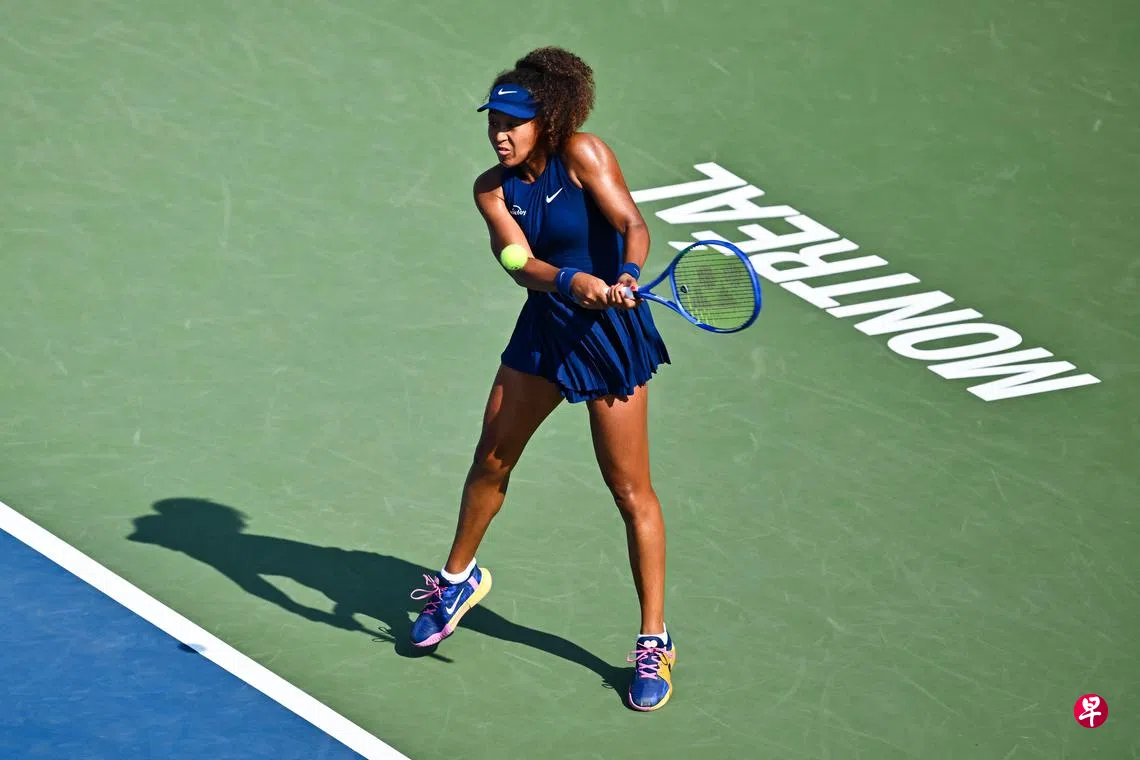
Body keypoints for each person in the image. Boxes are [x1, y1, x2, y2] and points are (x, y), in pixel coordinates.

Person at [408, 47, 675, 712]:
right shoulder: (490, 189)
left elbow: (631, 224)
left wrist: (626, 275)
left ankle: (654, 641)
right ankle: (457, 580)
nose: (499, 133)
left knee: (629, 490)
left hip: (609, 339)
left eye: (513, 123)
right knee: (490, 460)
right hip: (544, 332)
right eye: (493, 121)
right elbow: (517, 261)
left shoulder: (584, 154)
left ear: (548, 123)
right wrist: (570, 281)